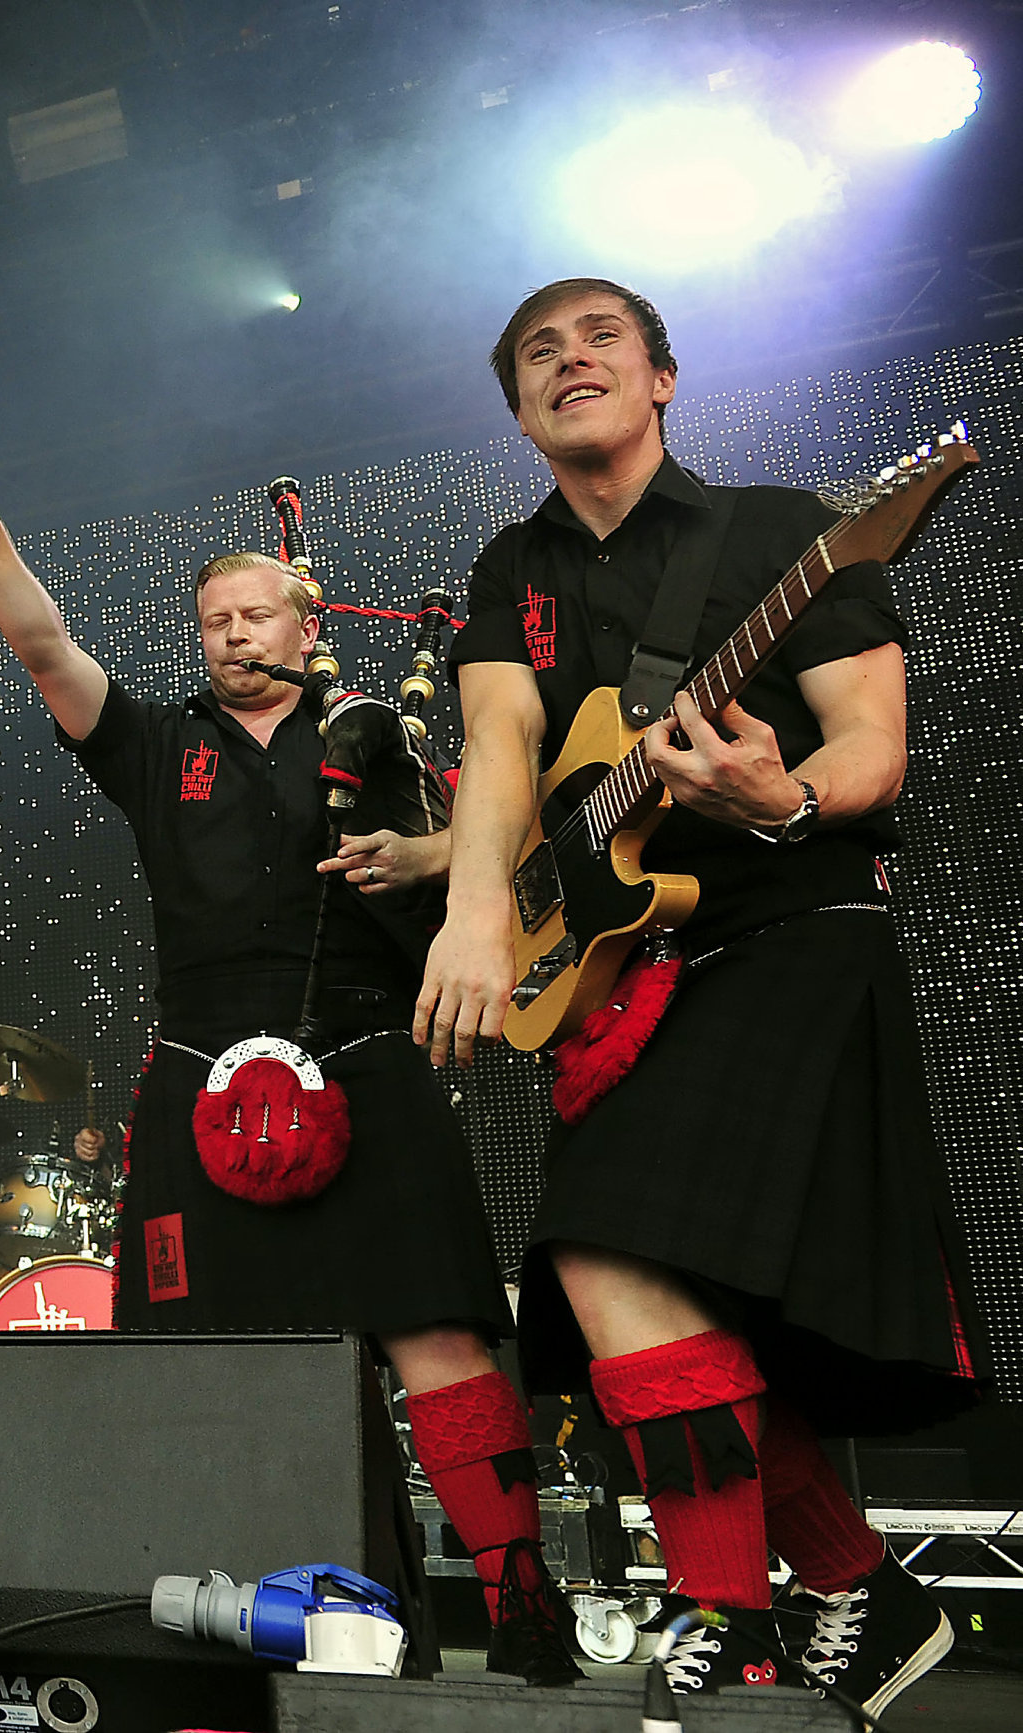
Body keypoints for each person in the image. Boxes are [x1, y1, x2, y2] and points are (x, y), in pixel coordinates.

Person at [0, 432, 576, 1683]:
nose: (229, 633)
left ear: (305, 618)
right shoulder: (151, 744)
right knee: (217, 1360)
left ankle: (521, 1598)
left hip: (370, 1052)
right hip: (199, 1064)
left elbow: (509, 832)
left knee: (435, 1333)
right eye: (211, 619)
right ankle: (261, 1618)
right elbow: (44, 649)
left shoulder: (377, 734)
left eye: (251, 612)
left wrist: (434, 859)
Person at [420, 279, 980, 1705]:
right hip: (628, 966)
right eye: (537, 351)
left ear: (661, 379)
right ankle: (828, 1594)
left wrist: (779, 796)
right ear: (522, 410)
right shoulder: (512, 570)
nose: (570, 360)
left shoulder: (790, 529)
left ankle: (740, 1621)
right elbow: (498, 744)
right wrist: (474, 918)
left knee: (624, 1257)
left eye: (600, 337)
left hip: (792, 924)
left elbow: (872, 745)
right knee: (615, 1274)